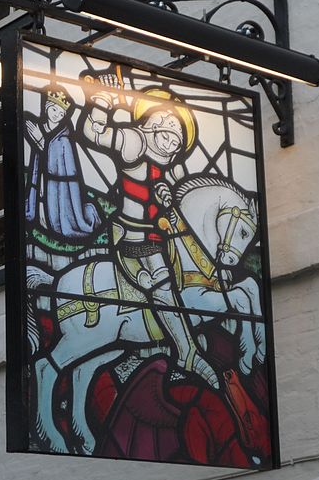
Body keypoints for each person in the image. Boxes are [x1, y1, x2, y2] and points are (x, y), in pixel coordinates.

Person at [83, 76, 218, 389]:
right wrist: (101, 101)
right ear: (150, 121)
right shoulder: (133, 142)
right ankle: (186, 352)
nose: (171, 138)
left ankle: (178, 348)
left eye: (176, 138)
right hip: (132, 237)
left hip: (154, 235)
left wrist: (165, 201)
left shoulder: (162, 164)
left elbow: (154, 200)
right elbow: (93, 133)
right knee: (161, 284)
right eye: (167, 125)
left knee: (176, 273)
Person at [25, 87, 101, 239]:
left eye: (61, 114)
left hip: (60, 189)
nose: (57, 116)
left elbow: (57, 168)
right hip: (40, 182)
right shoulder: (41, 128)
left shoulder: (64, 138)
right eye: (54, 110)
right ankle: (37, 215)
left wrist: (40, 140)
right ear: (46, 108)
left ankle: (55, 222)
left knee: (57, 220)